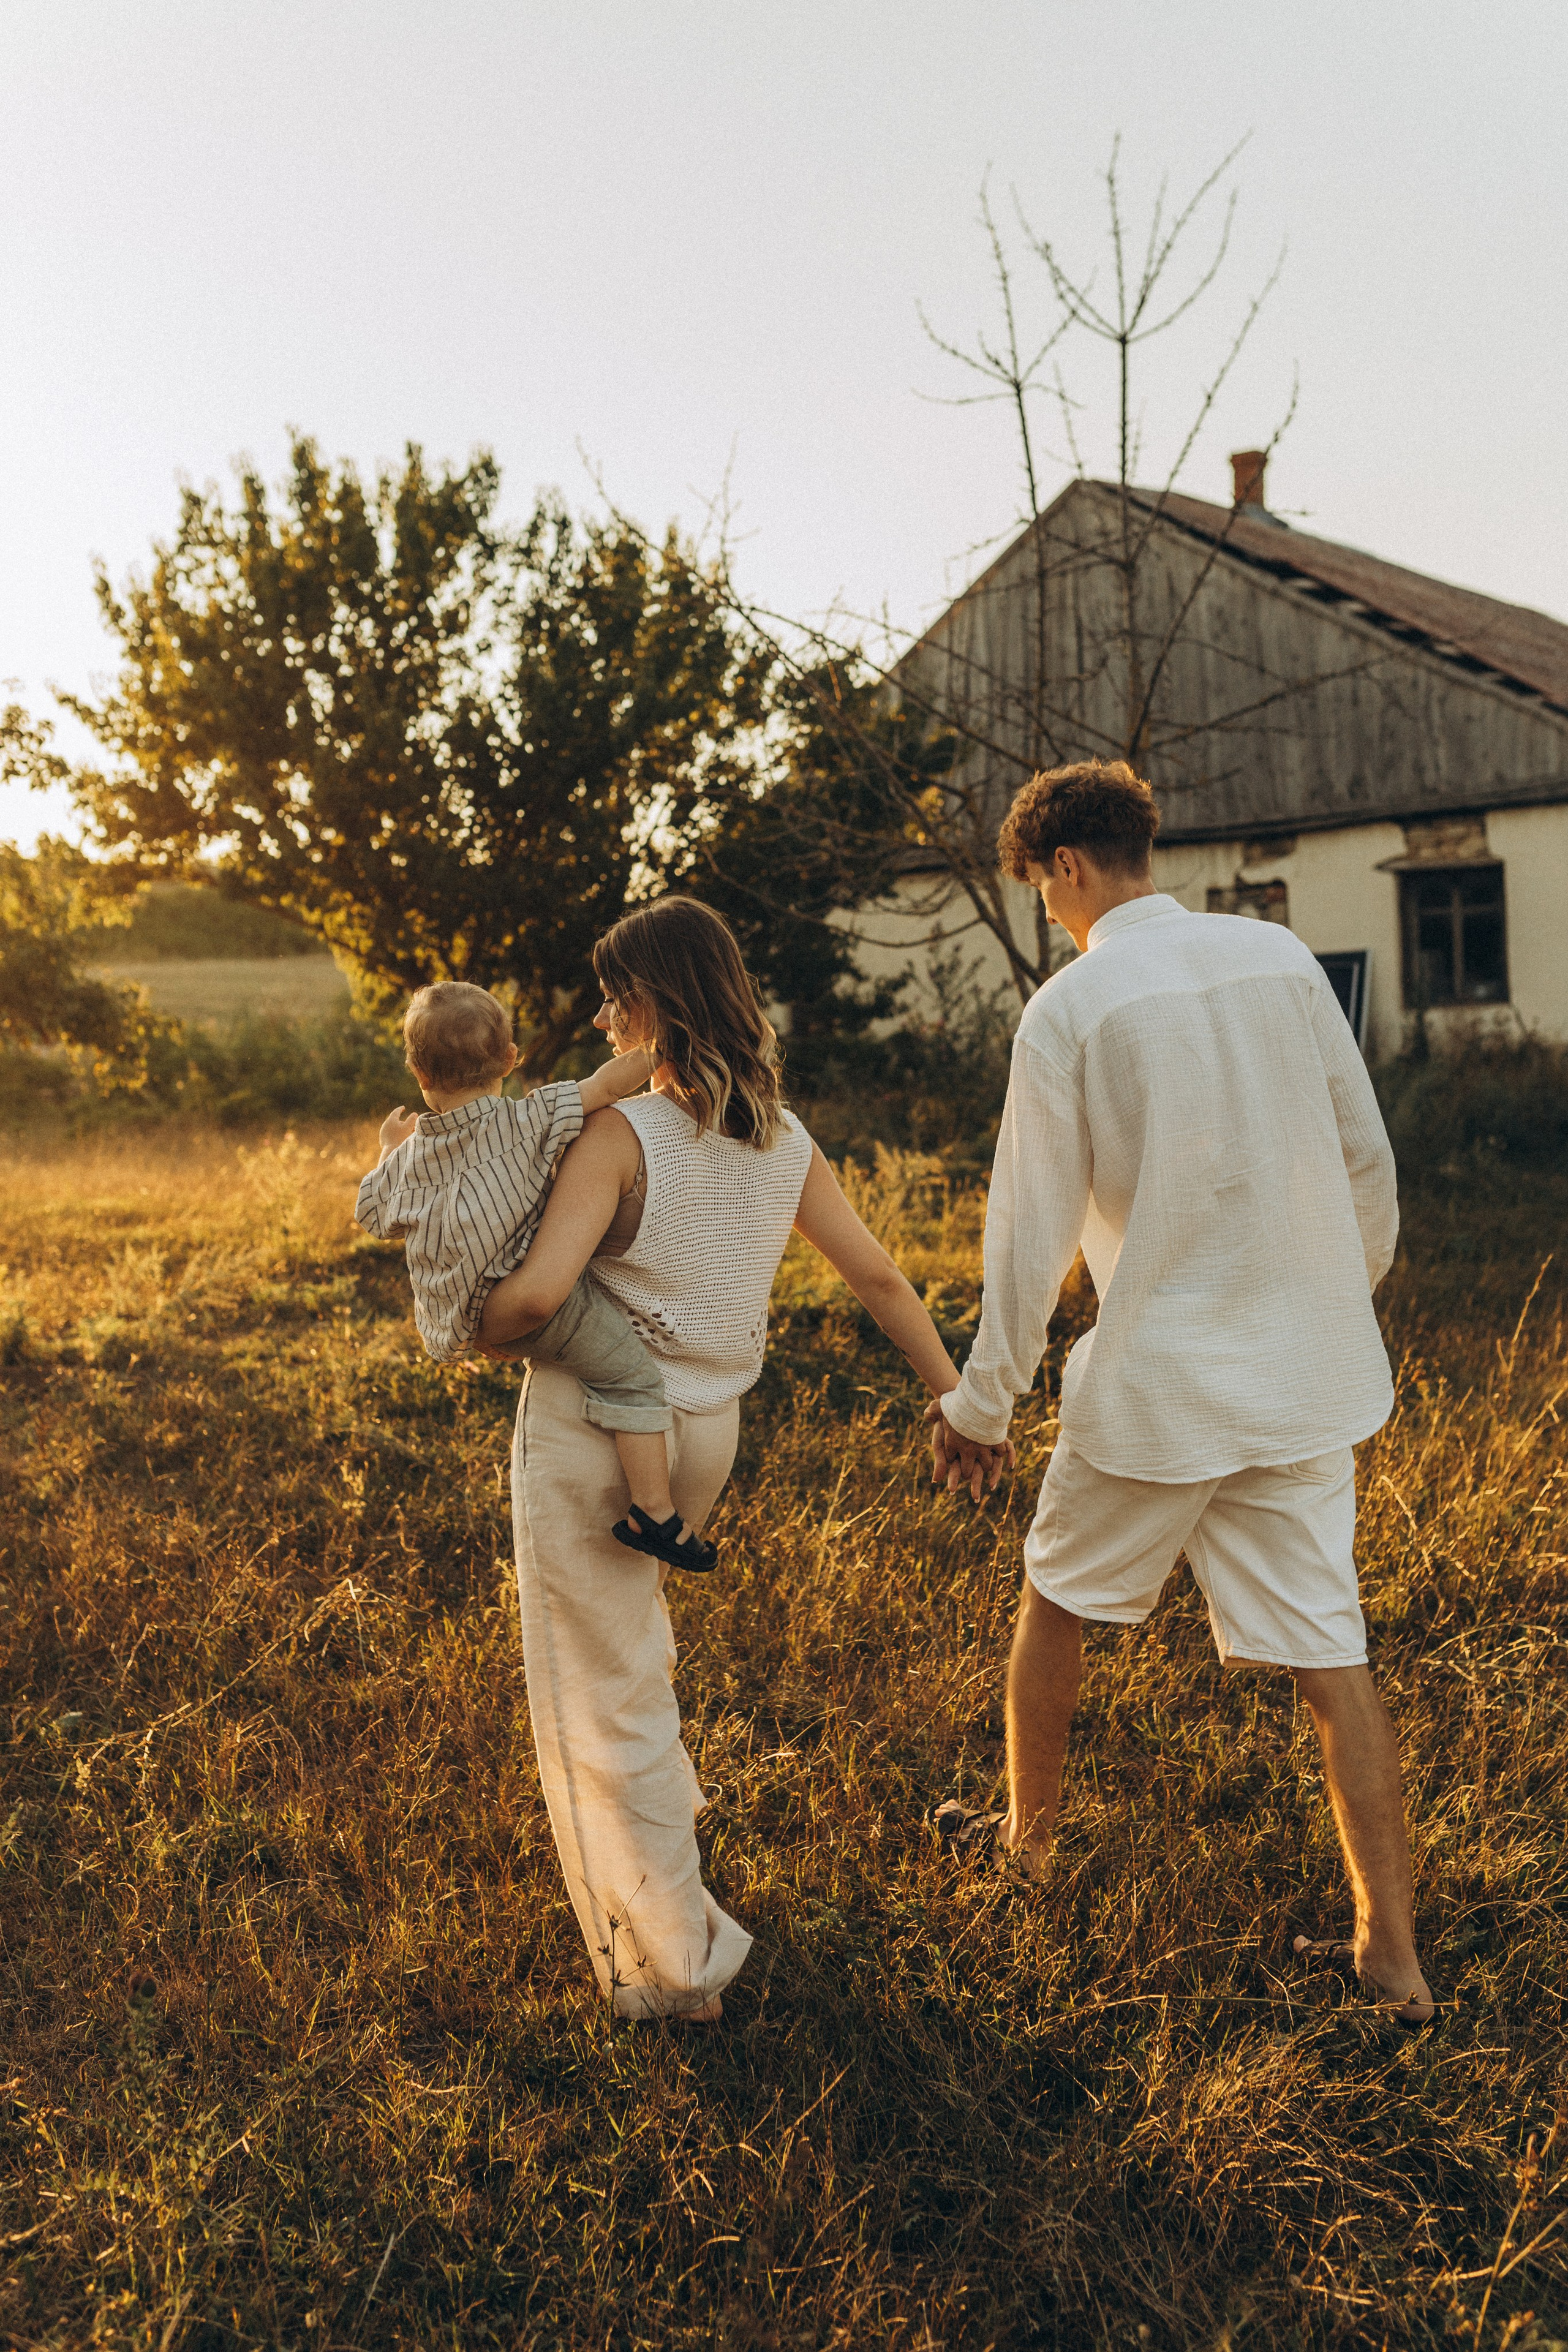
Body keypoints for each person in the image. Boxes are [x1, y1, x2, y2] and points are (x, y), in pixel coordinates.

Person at [930, 760, 1434, 2028]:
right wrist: (1335, 1300)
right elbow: (1361, 1154)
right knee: (1331, 1653)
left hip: (1160, 1386)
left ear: (1063, 869)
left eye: (1041, 887)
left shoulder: (1070, 1007)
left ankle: (1026, 1855)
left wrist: (979, 1406)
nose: (1047, 909)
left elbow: (1026, 1237)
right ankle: (1391, 1954)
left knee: (1055, 1601)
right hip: (1302, 1377)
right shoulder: (1279, 963)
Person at [478, 897, 968, 2022]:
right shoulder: (782, 1139)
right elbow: (883, 1280)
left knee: (597, 1693)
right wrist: (958, 1396)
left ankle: (675, 1967)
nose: (603, 1017)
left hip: (597, 1436)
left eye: (614, 995)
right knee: (635, 1652)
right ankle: (667, 1885)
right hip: (706, 1440)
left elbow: (545, 1292)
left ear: (656, 1003)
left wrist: (465, 1320)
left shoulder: (622, 1134)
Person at [355, 981, 712, 1567]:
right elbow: (607, 1084)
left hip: (466, 1318)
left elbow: (371, 1216)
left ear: (418, 1072)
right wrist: (669, 1043)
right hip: (535, 1300)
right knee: (634, 1378)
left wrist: (390, 1151)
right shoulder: (530, 1118)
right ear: (510, 1058)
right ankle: (655, 1512)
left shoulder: (411, 1160)